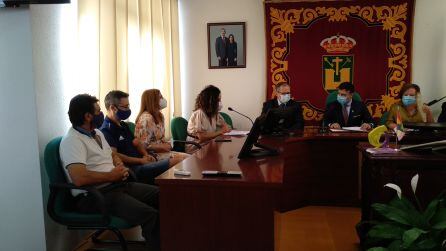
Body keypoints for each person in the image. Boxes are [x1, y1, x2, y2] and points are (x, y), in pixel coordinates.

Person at [59, 94, 160, 250]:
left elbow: (111, 154)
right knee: (150, 215)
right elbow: (79, 178)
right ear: (87, 116)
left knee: (163, 195)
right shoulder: (72, 141)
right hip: (94, 196)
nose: (101, 114)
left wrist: (119, 164)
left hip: (116, 185)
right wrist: (112, 175)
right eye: (98, 111)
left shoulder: (97, 133)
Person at [100, 90, 181, 184]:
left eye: (128, 106)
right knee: (178, 161)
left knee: (181, 162)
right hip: (134, 168)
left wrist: (145, 154)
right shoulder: (106, 129)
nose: (128, 110)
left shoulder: (123, 124)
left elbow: (136, 142)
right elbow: (114, 155)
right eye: (125, 107)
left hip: (143, 160)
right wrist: (140, 160)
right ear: (113, 108)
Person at [134, 89, 188, 160]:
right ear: (153, 101)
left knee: (189, 158)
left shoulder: (160, 116)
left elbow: (161, 139)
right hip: (151, 156)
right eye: (160, 97)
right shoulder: (146, 119)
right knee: (185, 159)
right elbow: (142, 146)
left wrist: (167, 145)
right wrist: (161, 147)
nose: (163, 99)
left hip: (162, 153)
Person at [187, 85, 231, 149]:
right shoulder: (199, 114)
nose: (220, 103)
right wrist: (221, 131)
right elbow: (201, 137)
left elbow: (225, 126)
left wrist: (226, 127)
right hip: (196, 149)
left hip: (208, 146)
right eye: (218, 100)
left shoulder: (214, 114)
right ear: (210, 101)